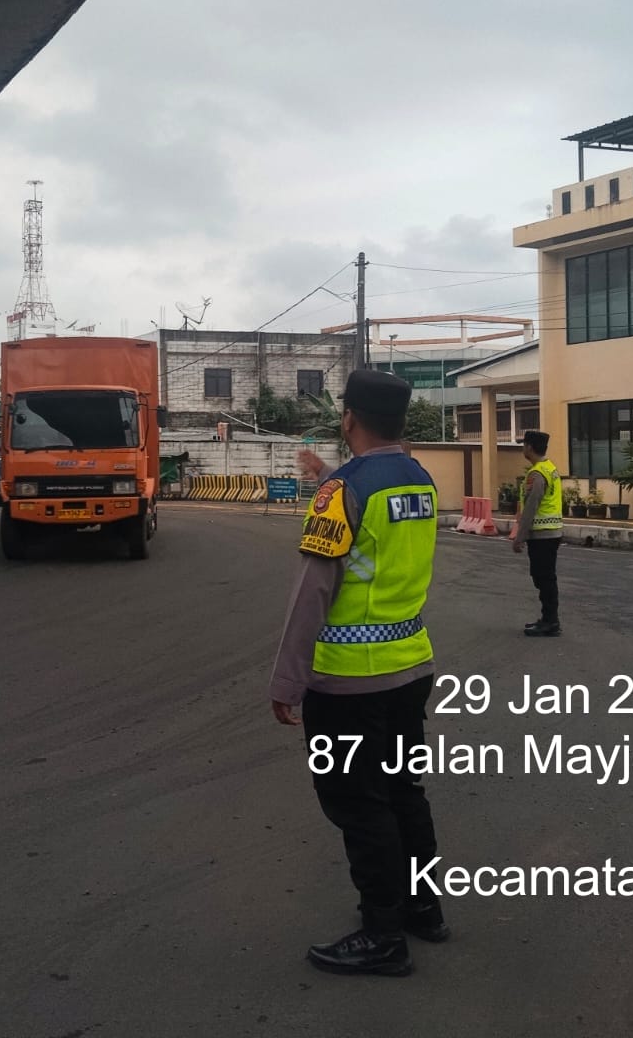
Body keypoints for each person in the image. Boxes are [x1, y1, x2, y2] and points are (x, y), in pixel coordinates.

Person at [270, 369, 447, 978]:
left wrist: (286, 681)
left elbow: (312, 593)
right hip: (410, 667)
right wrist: (330, 476)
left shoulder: (343, 491)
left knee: (359, 804)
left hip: (348, 682)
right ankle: (423, 909)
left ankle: (382, 934)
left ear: (348, 419)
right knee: (403, 794)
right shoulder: (419, 479)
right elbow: (374, 530)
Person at [512, 430, 563, 636]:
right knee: (545, 577)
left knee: (544, 578)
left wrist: (519, 537)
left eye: (524, 445)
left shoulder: (537, 474)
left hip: (542, 535)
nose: (523, 448)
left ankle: (550, 621)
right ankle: (548, 618)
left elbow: (531, 507)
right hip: (551, 532)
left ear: (530, 447)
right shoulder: (550, 468)